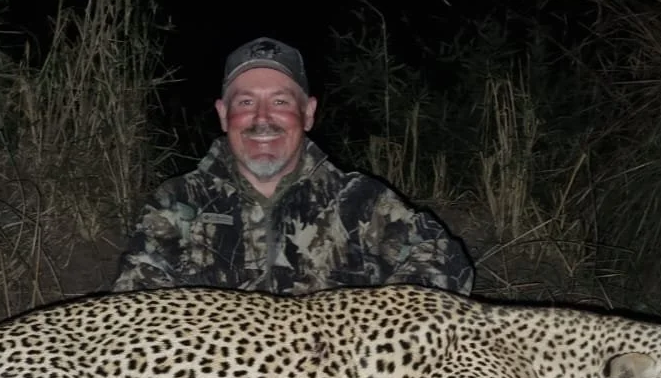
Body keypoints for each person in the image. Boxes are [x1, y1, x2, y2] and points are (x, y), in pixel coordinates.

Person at [112, 37, 475, 296]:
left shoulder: (360, 199)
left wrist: (373, 327)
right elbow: (136, 303)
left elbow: (444, 259)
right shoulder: (178, 202)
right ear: (223, 114)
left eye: (280, 102)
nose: (262, 118)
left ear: (308, 113)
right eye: (246, 102)